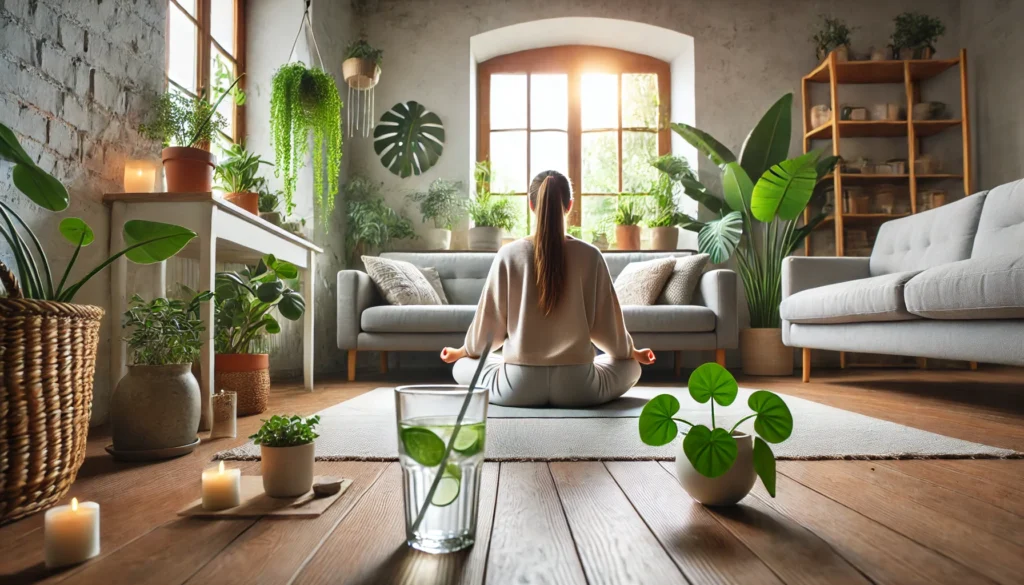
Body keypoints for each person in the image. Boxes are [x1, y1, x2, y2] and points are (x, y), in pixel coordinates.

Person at [441, 170, 655, 407]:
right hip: (579, 386)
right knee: (632, 366)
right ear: (570, 205)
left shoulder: (508, 255)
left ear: (532, 204)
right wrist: (630, 351)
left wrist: (464, 350)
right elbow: (608, 330)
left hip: (517, 386)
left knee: (461, 366)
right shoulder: (591, 255)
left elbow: (488, 332)